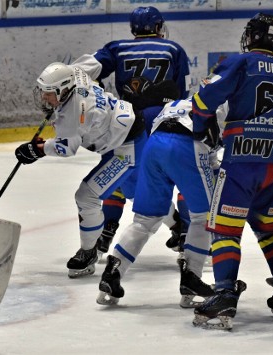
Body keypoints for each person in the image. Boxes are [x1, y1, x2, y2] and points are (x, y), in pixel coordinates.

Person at [191, 13, 273, 330]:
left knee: (224, 229)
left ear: (251, 36)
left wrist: (203, 130)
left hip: (241, 164)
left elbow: (202, 101)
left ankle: (225, 293)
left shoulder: (239, 63)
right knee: (269, 229)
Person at [71, 6, 192, 261]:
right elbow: (181, 96)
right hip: (163, 123)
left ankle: (107, 231)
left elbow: (80, 72)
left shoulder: (117, 48)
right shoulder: (173, 49)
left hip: (127, 124)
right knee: (173, 178)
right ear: (158, 27)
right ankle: (186, 232)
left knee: (119, 172)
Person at [15, 62, 147, 278]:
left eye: (49, 94)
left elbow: (65, 148)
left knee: (87, 196)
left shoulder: (75, 113)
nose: (44, 98)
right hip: (122, 132)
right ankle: (177, 225)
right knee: (135, 190)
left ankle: (89, 253)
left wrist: (36, 150)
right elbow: (93, 65)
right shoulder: (75, 74)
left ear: (63, 89)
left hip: (126, 146)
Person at [97, 94, 222, 307]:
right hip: (187, 146)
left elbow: (210, 154)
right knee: (205, 217)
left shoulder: (185, 101)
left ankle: (112, 273)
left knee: (144, 220)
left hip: (153, 146)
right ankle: (192, 277)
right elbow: (218, 155)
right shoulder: (229, 104)